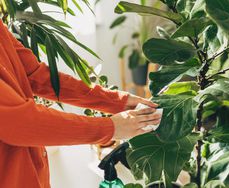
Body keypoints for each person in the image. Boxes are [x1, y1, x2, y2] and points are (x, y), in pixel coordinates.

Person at [0, 20, 161, 188]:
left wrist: (117, 101)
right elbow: (20, 121)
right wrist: (110, 128)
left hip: (31, 173)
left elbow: (37, 75)